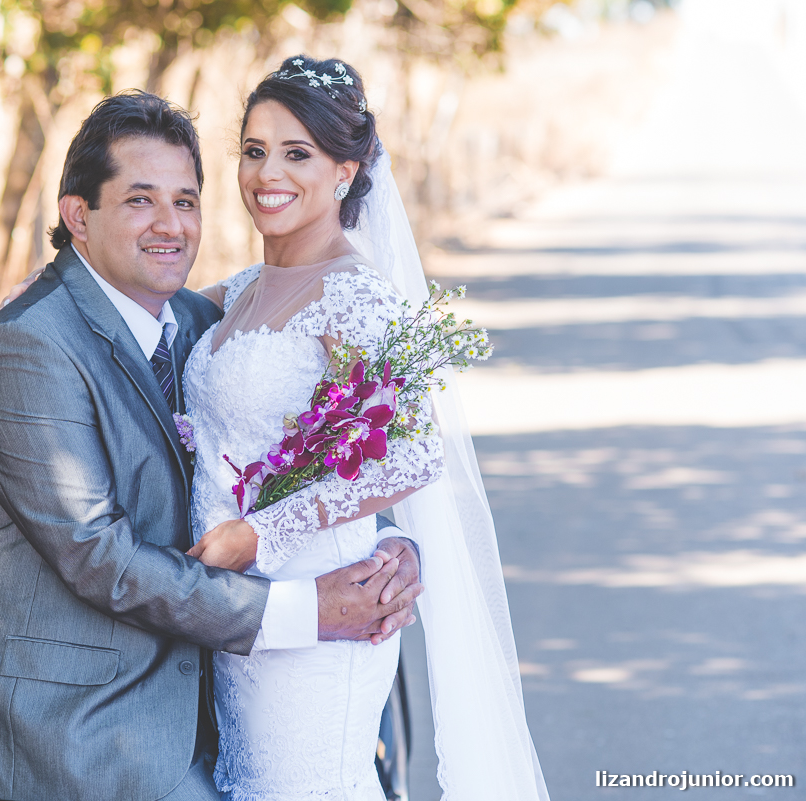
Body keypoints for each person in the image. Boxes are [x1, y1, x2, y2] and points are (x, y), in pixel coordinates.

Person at [0, 90, 424, 801]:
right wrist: (309, 609)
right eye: (140, 200)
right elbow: (98, 555)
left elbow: (310, 439)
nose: (170, 225)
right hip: (73, 739)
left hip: (203, 705)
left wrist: (386, 544)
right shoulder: (29, 346)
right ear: (77, 216)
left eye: (185, 201)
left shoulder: (201, 320)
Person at [178, 56, 550, 800]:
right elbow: (143, 309)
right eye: (253, 150)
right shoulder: (242, 289)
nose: (267, 173)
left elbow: (410, 453)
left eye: (297, 153)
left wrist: (260, 536)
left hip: (319, 605)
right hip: (241, 615)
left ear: (345, 172)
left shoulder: (353, 295)